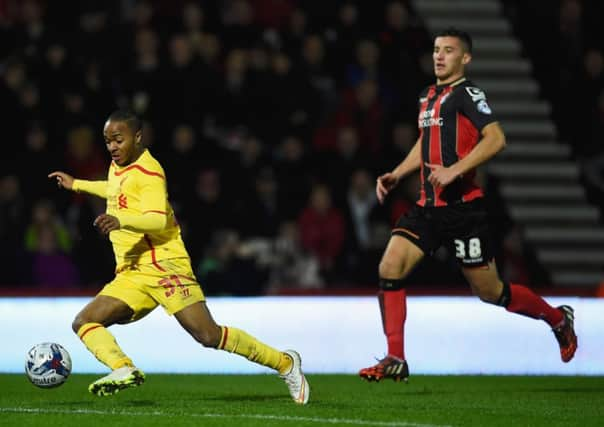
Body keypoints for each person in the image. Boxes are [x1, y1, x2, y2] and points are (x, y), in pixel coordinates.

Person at [358, 28, 578, 382]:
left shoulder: (468, 94)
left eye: (448, 50)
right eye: (436, 50)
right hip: (428, 209)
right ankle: (395, 357)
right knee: (390, 266)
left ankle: (556, 318)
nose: (439, 56)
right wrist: (397, 173)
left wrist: (455, 170)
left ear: (465, 58)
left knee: (492, 292)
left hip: (463, 211)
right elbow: (425, 142)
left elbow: (497, 138)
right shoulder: (427, 96)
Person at [48, 109, 309, 404]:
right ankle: (123, 368)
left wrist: (121, 221)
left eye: (118, 140)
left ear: (137, 137)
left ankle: (285, 363)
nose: (112, 147)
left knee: (208, 336)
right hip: (133, 271)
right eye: (107, 141)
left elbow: (158, 220)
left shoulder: (150, 173)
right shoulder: (119, 165)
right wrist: (78, 184)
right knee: (85, 321)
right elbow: (116, 190)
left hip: (164, 264)